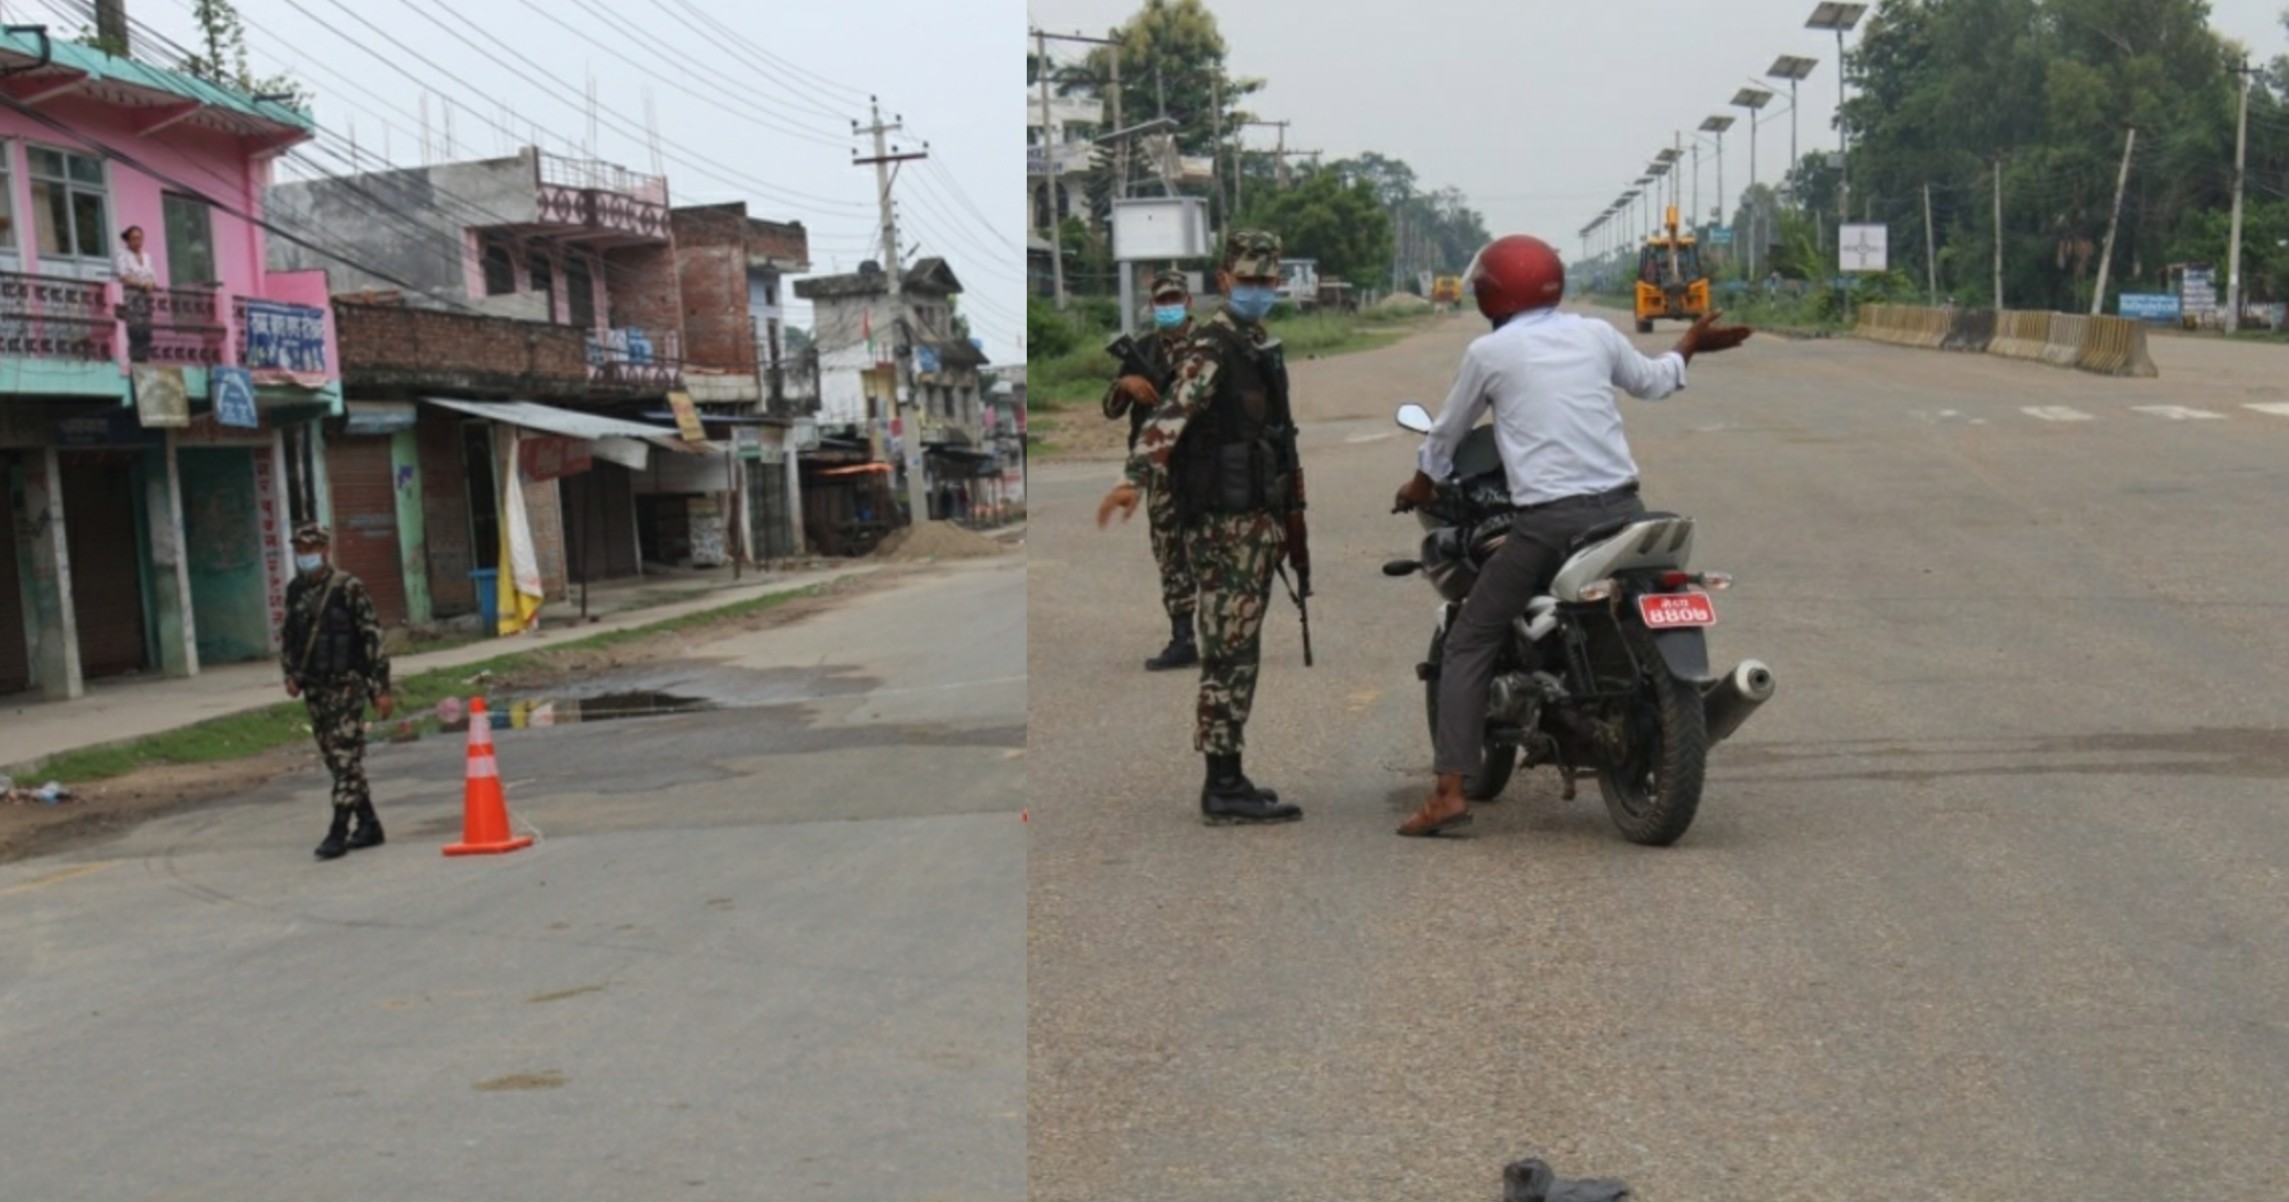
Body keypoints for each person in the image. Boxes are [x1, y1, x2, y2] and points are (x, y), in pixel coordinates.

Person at [1391, 235, 1752, 837]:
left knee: (1471, 637)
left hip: (1549, 522)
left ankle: (1448, 794)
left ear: (1490, 293)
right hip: (1625, 510)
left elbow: (1445, 436)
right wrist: (1690, 343)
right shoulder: (1595, 334)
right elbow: (1655, 381)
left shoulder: (1489, 352)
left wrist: (1419, 486)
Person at [1098, 231, 1304, 826]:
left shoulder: (1252, 344)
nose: (1258, 290)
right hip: (1224, 526)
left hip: (1252, 521)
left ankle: (1230, 775)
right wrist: (1134, 479)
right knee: (1228, 654)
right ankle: (1222, 785)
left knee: (1239, 651)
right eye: (1248, 280)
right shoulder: (1213, 346)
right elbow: (1171, 413)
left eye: (1267, 281)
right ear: (1224, 281)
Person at [1102, 269, 1202, 671]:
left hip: (1206, 462)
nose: (1169, 306)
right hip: (1160, 468)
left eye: (1175, 298)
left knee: (1213, 546)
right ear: (1151, 305)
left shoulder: (1209, 345)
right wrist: (1125, 384)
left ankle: (1223, 632)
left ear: (1188, 301)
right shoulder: (1141, 350)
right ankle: (1183, 637)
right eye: (1162, 301)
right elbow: (1111, 410)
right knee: (1169, 550)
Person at [279, 523, 396, 859]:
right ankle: (369, 823)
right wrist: (289, 674)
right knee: (334, 758)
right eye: (300, 550)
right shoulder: (295, 590)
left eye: (310, 549)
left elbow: (372, 638)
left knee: (345, 756)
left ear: (325, 550)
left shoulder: (348, 587)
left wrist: (380, 687)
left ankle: (338, 830)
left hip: (346, 685)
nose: (305, 555)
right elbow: (288, 636)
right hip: (313, 686)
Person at [113, 226, 157, 363]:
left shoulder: (147, 257)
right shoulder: (123, 255)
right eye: (134, 239)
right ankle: (134, 362)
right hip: (131, 300)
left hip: (145, 301)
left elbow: (153, 277)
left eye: (140, 238)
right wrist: (142, 284)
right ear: (128, 240)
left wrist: (151, 284)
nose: (138, 242)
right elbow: (124, 276)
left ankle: (144, 359)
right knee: (134, 331)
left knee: (146, 332)